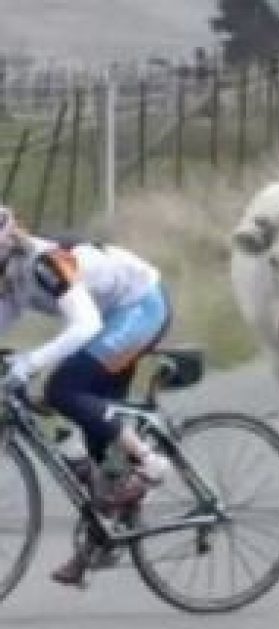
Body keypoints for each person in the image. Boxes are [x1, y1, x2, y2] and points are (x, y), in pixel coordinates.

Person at [0, 207, 172, 584]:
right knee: (96, 436)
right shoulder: (10, 275)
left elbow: (86, 325)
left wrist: (30, 362)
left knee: (63, 388)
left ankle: (150, 463)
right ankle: (109, 531)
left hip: (141, 306)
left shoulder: (45, 263)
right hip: (110, 319)